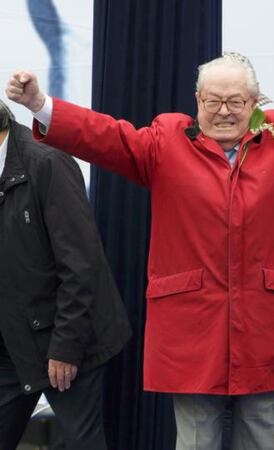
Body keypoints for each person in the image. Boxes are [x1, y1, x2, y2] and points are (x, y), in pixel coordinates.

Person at [7, 45, 274, 449]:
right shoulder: (165, 142)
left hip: (269, 330)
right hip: (192, 333)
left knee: (261, 438)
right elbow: (103, 135)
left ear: (255, 104)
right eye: (212, 101)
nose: (222, 112)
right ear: (197, 101)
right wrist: (38, 104)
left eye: (235, 101)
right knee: (197, 442)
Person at [0, 99, 131, 449]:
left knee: (82, 443)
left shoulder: (48, 162)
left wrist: (66, 347)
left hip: (66, 337)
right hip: (11, 339)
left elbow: (82, 265)